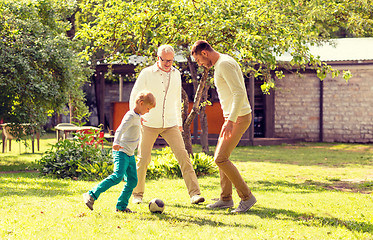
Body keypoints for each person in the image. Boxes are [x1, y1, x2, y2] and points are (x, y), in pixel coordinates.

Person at [130, 45, 205, 205]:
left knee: (183, 156)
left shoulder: (176, 74)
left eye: (170, 61)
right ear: (158, 58)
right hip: (149, 122)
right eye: (165, 60)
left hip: (170, 123)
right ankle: (137, 195)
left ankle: (195, 194)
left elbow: (176, 99)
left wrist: (179, 122)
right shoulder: (147, 73)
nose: (167, 63)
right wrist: (136, 116)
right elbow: (134, 95)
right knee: (143, 159)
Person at [191, 40, 256, 213]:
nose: (200, 64)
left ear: (204, 53)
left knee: (220, 158)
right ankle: (226, 199)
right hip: (232, 117)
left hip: (239, 118)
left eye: (198, 60)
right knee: (221, 158)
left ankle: (247, 197)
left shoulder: (225, 64)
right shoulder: (221, 63)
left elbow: (239, 93)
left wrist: (231, 120)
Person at [83, 91, 156, 213]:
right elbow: (119, 130)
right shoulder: (130, 116)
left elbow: (134, 124)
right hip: (121, 151)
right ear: (141, 103)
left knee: (133, 180)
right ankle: (91, 195)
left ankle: (121, 207)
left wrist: (140, 121)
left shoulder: (137, 116)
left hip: (129, 154)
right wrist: (115, 142)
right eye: (148, 108)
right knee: (118, 176)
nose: (148, 111)